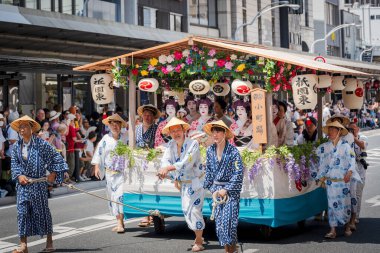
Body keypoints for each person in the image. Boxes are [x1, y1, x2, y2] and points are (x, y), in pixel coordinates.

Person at [10, 115, 68, 253]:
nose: (21, 129)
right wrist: (19, 175)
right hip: (23, 185)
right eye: (20, 127)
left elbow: (57, 157)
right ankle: (23, 245)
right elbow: (14, 164)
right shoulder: (16, 146)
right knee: (22, 213)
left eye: (24, 126)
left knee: (42, 212)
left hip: (39, 184)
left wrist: (53, 172)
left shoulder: (41, 144)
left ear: (31, 128)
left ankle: (49, 242)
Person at [157, 117, 205, 252]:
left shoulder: (193, 144)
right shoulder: (171, 145)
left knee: (195, 211)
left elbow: (186, 163)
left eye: (178, 130)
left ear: (184, 130)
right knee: (186, 210)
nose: (176, 133)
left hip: (195, 182)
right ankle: (198, 234)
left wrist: (168, 169)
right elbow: (165, 161)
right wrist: (163, 170)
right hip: (183, 183)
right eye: (173, 131)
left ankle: (199, 240)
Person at [203, 120, 244, 253]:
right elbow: (208, 171)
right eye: (213, 131)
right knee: (220, 225)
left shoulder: (233, 151)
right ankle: (230, 249)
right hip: (216, 192)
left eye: (219, 131)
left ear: (225, 133)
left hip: (230, 192)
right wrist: (209, 188)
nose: (215, 134)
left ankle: (230, 250)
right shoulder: (209, 151)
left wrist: (226, 189)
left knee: (229, 223)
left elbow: (238, 172)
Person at [316, 121, 361, 239]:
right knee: (331, 206)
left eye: (333, 131)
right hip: (331, 181)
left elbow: (352, 158)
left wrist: (350, 171)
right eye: (329, 131)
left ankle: (347, 226)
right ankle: (333, 230)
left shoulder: (345, 145)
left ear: (339, 132)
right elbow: (318, 157)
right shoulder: (326, 146)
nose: (330, 133)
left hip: (343, 180)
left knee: (345, 203)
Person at [92, 114, 128, 233]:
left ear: (120, 125)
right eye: (112, 124)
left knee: (120, 197)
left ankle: (119, 223)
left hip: (123, 173)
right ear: (109, 126)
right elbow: (99, 153)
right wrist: (97, 166)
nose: (115, 126)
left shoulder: (126, 138)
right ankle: (119, 221)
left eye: (117, 124)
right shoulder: (105, 139)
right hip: (109, 173)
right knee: (112, 199)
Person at [348, 121, 368, 228]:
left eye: (354, 129)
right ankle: (349, 215)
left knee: (358, 193)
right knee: (350, 193)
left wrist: (353, 138)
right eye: (350, 129)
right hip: (350, 169)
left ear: (358, 129)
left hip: (360, 169)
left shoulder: (363, 137)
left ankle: (356, 216)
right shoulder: (347, 139)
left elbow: (362, 145)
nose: (352, 131)